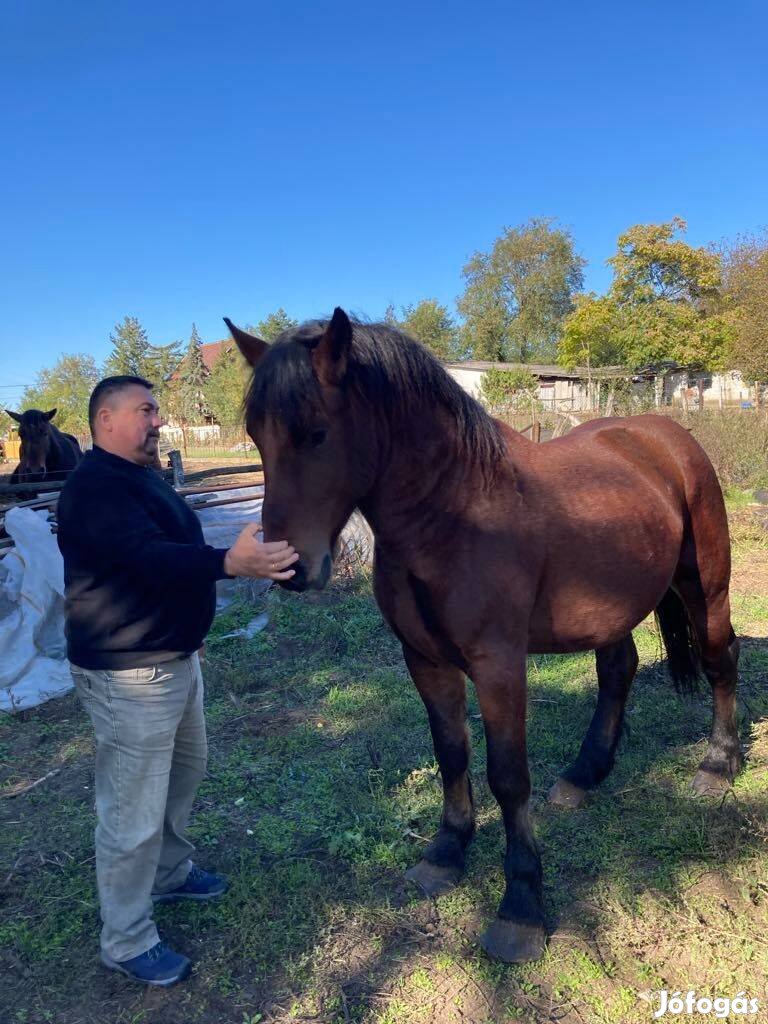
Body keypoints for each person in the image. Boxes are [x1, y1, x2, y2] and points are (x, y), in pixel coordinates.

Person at [57, 375, 298, 987]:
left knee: (185, 773)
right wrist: (227, 563)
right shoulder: (94, 489)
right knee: (131, 812)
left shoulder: (140, 477)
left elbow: (170, 547)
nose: (158, 421)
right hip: (129, 674)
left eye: (157, 411)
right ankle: (127, 938)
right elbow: (147, 557)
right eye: (146, 410)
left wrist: (226, 557)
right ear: (105, 419)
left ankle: (168, 874)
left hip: (173, 660)